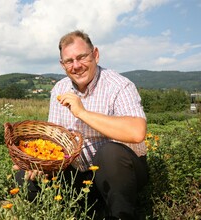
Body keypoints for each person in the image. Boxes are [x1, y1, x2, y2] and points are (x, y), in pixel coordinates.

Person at [14, 30, 149, 220]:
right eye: (69, 61)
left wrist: (82, 113)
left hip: (123, 173)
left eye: (82, 57)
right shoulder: (59, 89)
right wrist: (38, 162)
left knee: (109, 153)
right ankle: (77, 212)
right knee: (25, 175)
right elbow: (54, 139)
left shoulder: (119, 85)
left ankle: (120, 214)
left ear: (95, 54)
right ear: (63, 65)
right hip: (80, 173)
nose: (76, 66)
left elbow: (136, 132)